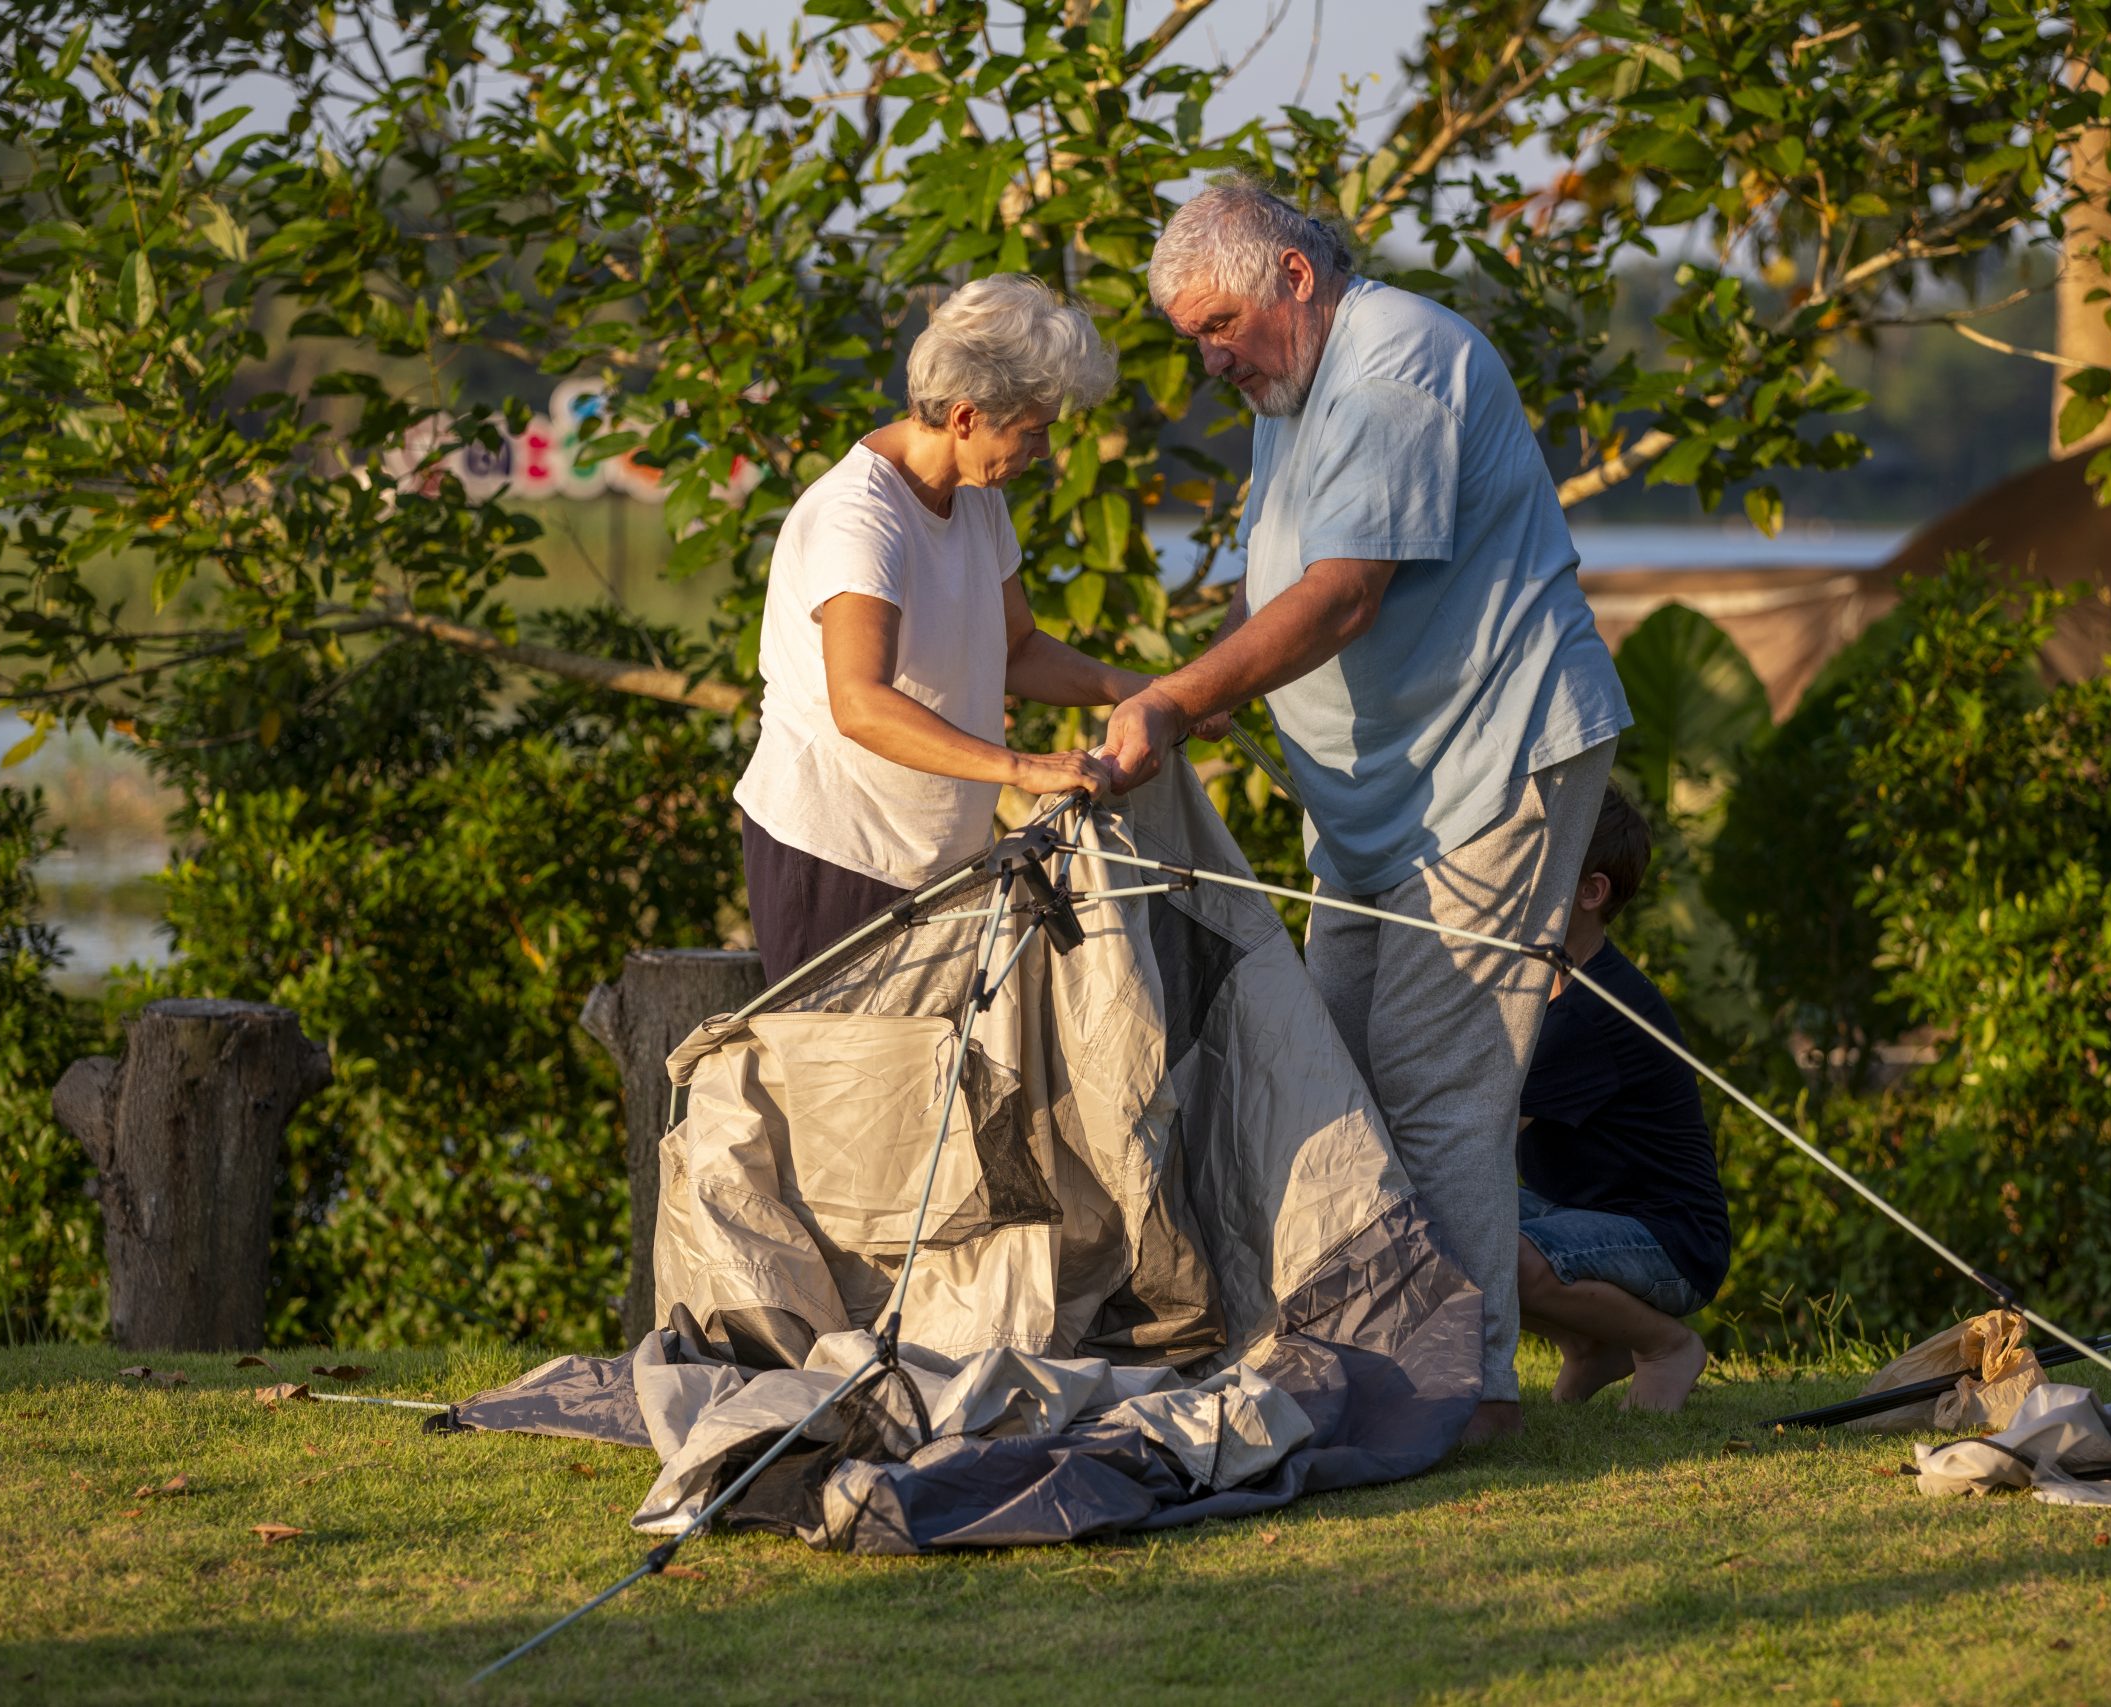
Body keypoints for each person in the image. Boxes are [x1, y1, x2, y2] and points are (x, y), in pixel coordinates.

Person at [1105, 181, 1632, 1440]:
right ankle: (1354, 1361)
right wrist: (1178, 694)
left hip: (1489, 767)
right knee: (1322, 1062)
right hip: (1372, 804)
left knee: (1436, 1081)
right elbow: (1270, 582)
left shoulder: (1395, 366)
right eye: (1193, 339)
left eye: (1220, 323)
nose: (1210, 357)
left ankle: (1466, 1395)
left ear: (1294, 276)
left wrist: (1179, 705)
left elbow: (1343, 597)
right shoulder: (1289, 389)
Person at [735, 274, 1145, 985]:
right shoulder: (860, 518)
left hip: (937, 858)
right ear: (965, 417)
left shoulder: (978, 499)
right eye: (1033, 430)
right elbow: (859, 703)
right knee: (850, 1083)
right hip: (838, 853)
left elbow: (1018, 648)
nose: (1044, 451)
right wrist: (1024, 766)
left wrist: (1143, 691)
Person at [1515, 785, 1729, 1413]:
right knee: (1447, 1224)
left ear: (1590, 891)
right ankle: (1592, 1346)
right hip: (1583, 1213)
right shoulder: (1544, 983)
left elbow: (1480, 1133)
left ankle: (1664, 1346)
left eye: (1536, 861)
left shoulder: (1591, 1013)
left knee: (1488, 1246)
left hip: (1671, 1240)